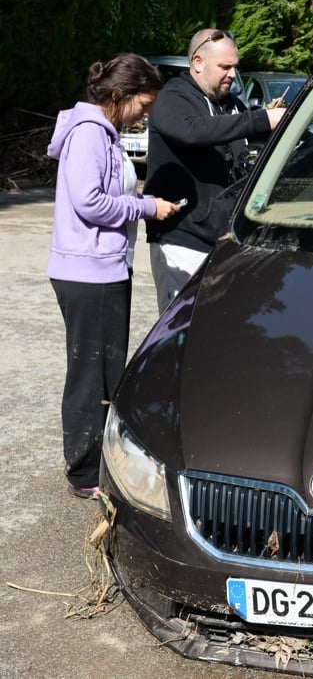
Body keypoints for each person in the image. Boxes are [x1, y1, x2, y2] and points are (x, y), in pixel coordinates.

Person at [47, 53, 179, 499]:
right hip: (89, 273)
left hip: (100, 268)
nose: (145, 115)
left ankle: (94, 463)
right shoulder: (89, 134)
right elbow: (89, 201)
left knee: (102, 369)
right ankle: (85, 473)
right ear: (119, 96)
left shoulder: (104, 133)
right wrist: (145, 206)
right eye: (143, 105)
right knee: (92, 373)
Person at [144, 28, 286, 312]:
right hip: (180, 240)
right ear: (198, 62)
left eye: (235, 67)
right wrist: (260, 120)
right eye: (225, 67)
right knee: (183, 331)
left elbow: (242, 146)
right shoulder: (173, 98)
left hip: (223, 242)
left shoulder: (231, 105)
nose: (233, 74)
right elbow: (193, 131)